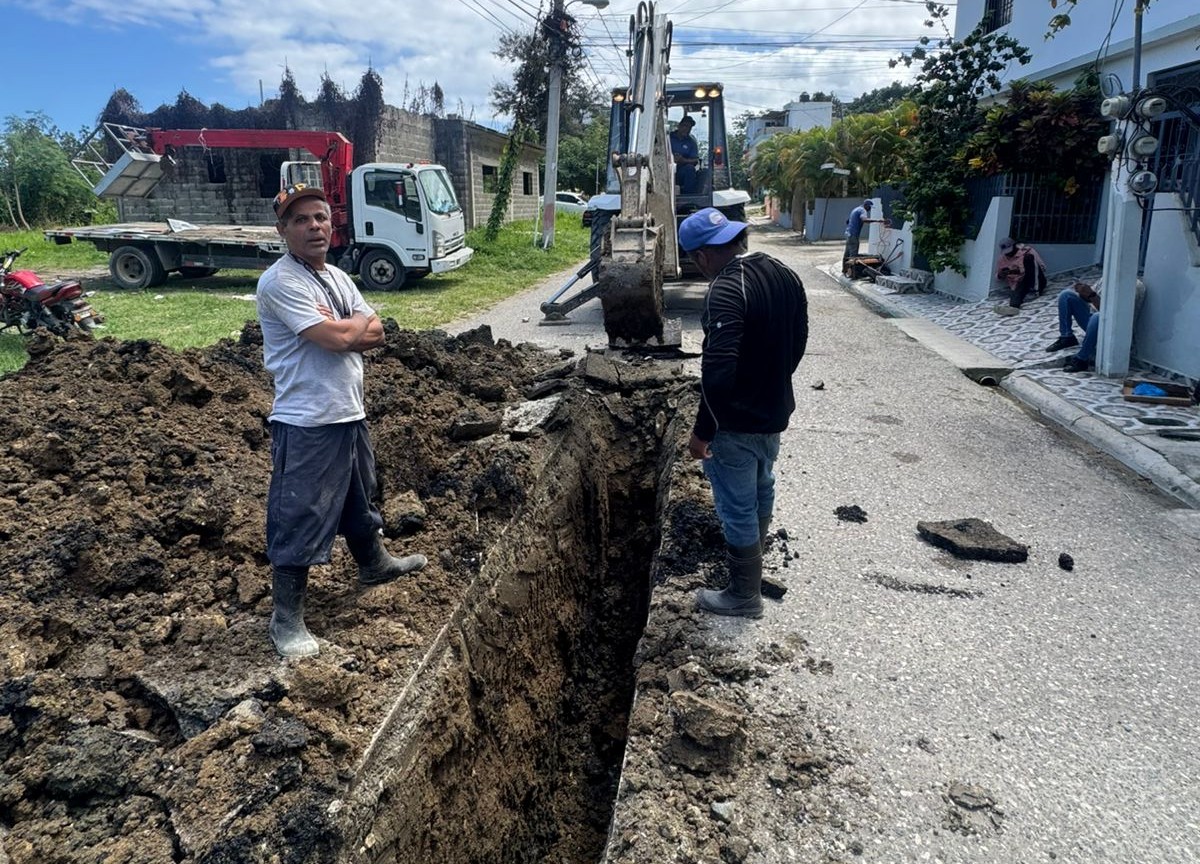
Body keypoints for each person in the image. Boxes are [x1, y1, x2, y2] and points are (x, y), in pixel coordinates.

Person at [256, 183, 427, 658]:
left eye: (320, 217)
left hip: (348, 410)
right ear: (283, 230)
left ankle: (373, 564)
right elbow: (333, 337)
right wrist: (351, 330)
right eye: (301, 220)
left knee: (360, 494)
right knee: (300, 512)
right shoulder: (280, 282)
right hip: (307, 419)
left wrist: (349, 331)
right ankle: (286, 619)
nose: (314, 226)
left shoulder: (336, 276)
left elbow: (378, 332)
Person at [679, 208, 809, 618]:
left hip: (734, 423)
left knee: (737, 504)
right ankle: (751, 576)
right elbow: (799, 339)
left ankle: (742, 595)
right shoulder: (783, 273)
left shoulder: (726, 290)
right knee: (761, 485)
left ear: (701, 257)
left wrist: (703, 433)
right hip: (773, 413)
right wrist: (771, 384)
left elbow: (716, 374)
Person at [1049, 277, 1146, 373]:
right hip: (1094, 323)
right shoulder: (1107, 277)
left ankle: (1082, 359)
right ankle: (1067, 337)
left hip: (1113, 331)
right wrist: (1083, 292)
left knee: (1097, 316)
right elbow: (1090, 300)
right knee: (1066, 295)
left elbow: (1110, 316)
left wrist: (1091, 295)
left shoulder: (1134, 288)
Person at [993, 237, 1047, 315]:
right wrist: (1002, 274)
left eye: (1009, 251)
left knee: (1029, 258)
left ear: (1014, 246)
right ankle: (1013, 308)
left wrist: (1020, 270)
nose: (1008, 254)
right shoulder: (1002, 259)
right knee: (1018, 285)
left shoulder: (1027, 251)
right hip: (1019, 283)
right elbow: (998, 277)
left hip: (1036, 280)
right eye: (1006, 252)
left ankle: (1034, 290)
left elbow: (1042, 268)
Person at [842, 199, 880, 269]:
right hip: (853, 235)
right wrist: (878, 221)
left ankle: (844, 270)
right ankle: (853, 273)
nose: (870, 209)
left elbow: (847, 221)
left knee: (847, 253)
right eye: (869, 207)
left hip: (848, 233)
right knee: (853, 255)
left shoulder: (855, 209)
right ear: (866, 205)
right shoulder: (863, 210)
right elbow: (864, 219)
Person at [670, 116, 702, 195]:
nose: (687, 129)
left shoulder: (691, 143)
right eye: (685, 126)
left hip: (681, 172)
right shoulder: (668, 138)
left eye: (689, 127)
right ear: (679, 126)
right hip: (665, 168)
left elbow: (695, 160)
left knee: (690, 169)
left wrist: (682, 160)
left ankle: (688, 196)